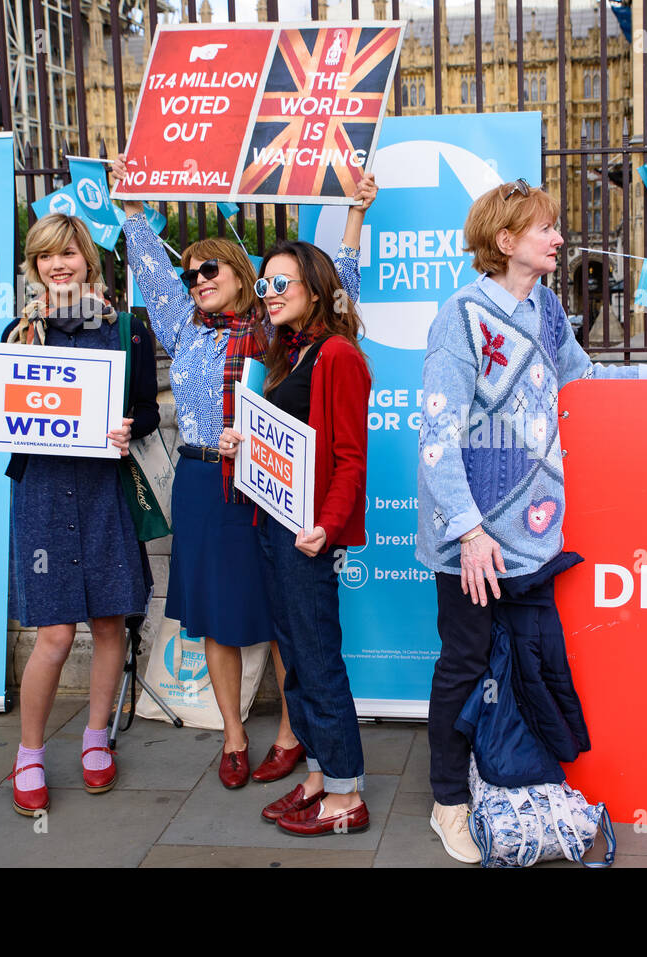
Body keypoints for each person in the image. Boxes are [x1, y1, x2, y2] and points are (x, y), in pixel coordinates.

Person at [415, 179, 647, 862]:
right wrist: (468, 532)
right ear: (506, 242)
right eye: (545, 228)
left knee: (524, 662)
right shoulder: (460, 317)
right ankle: (448, 802)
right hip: (471, 540)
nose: (559, 237)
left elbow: (579, 379)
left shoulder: (547, 307)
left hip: (533, 531)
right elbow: (437, 434)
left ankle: (504, 774)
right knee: (465, 663)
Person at [111, 155, 374, 789]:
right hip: (204, 484)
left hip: (269, 484)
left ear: (246, 277)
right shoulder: (183, 330)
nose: (195, 279)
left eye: (209, 269)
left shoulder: (276, 327)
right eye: (189, 272)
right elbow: (150, 274)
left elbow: (338, 291)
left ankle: (292, 733)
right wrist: (133, 211)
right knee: (215, 614)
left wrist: (355, 218)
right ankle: (233, 738)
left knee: (285, 612)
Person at [0, 213, 159, 815]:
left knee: (107, 625)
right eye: (46, 256)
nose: (58, 264)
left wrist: (128, 427)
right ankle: (30, 754)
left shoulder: (126, 331)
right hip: (43, 494)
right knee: (53, 632)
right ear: (34, 266)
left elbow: (146, 411)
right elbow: (2, 411)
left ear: (88, 261)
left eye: (69, 252)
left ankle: (96, 740)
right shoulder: (16, 330)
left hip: (103, 492)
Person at [218, 240, 371, 836]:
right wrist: (241, 446)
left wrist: (327, 528)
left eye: (282, 283)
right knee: (298, 663)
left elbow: (350, 459)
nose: (270, 294)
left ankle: (346, 795)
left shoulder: (338, 355)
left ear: (315, 288)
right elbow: (285, 448)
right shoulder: (288, 356)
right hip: (274, 528)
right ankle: (318, 773)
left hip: (307, 535)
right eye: (264, 285)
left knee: (317, 660)